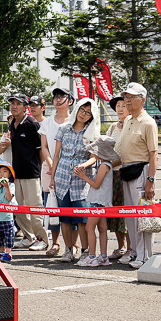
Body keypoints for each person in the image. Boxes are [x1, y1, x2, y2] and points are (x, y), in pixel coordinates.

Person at [114, 83, 159, 269]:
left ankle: (144, 255)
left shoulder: (148, 123)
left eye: (132, 97)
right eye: (126, 96)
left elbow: (154, 154)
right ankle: (134, 251)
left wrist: (151, 181)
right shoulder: (128, 120)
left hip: (141, 171)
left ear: (142, 99)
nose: (127, 100)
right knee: (131, 216)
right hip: (126, 171)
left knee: (142, 215)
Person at [49, 97, 99, 263]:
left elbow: (94, 157)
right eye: (82, 110)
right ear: (77, 109)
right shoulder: (64, 129)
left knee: (82, 218)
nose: (83, 114)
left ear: (92, 117)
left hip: (81, 180)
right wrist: (53, 178)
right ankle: (68, 250)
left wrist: (84, 165)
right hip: (62, 177)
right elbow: (56, 155)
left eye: (88, 113)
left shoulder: (92, 133)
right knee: (64, 217)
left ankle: (85, 251)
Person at [0, 94, 46, 252]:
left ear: (26, 107)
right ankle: (28, 237)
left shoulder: (32, 124)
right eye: (12, 103)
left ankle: (42, 239)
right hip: (15, 173)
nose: (14, 106)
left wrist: (40, 169)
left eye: (18, 103)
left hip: (31, 173)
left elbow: (41, 150)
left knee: (35, 207)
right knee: (18, 208)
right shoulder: (12, 123)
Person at [39, 87, 74, 257]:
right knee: (52, 205)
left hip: (70, 168)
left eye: (62, 96)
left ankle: (73, 244)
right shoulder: (46, 122)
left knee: (71, 205)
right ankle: (55, 243)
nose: (58, 99)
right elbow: (44, 147)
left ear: (70, 101)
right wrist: (52, 164)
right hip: (50, 167)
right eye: (55, 97)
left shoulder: (75, 121)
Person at [105, 95, 132, 263]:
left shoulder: (132, 125)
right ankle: (121, 246)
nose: (120, 109)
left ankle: (131, 248)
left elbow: (130, 152)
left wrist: (111, 163)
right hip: (112, 174)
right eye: (118, 106)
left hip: (127, 173)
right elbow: (106, 146)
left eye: (123, 105)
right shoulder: (113, 127)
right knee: (115, 211)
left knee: (127, 212)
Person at [74, 150, 113, 267]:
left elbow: (96, 185)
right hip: (102, 201)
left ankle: (91, 256)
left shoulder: (103, 166)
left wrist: (84, 176)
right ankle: (103, 256)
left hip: (97, 201)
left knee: (89, 227)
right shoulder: (107, 165)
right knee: (102, 228)